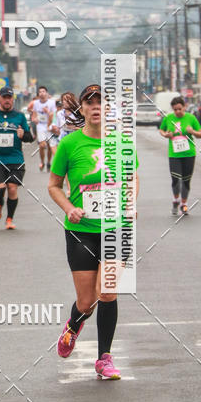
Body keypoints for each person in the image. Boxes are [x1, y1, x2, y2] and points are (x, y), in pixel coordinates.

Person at [48, 84, 139, 380]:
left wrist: (130, 202)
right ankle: (74, 324)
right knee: (86, 301)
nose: (96, 106)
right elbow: (53, 185)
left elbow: (132, 177)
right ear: (83, 110)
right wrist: (68, 208)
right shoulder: (69, 145)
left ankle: (104, 358)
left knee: (108, 291)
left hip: (117, 228)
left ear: (108, 109)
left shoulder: (122, 142)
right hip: (81, 230)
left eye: (102, 102)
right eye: (90, 102)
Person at [0, 86, 34, 230]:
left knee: (12, 188)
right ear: (0, 99)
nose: (7, 100)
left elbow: (30, 138)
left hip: (15, 159)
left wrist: (23, 135)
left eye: (10, 98)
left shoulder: (20, 116)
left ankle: (9, 219)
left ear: (13, 99)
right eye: (5, 97)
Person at [159, 95, 201, 215]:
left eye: (180, 109)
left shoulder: (191, 118)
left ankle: (184, 204)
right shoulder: (168, 118)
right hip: (174, 154)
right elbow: (161, 130)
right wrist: (165, 135)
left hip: (189, 154)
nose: (178, 111)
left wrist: (192, 131)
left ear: (185, 107)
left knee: (186, 180)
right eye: (175, 109)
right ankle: (175, 199)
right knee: (175, 179)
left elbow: (200, 134)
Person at [28, 86, 55, 172]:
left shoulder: (52, 103)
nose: (42, 93)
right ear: (38, 94)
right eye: (40, 92)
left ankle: (48, 162)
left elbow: (54, 115)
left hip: (49, 126)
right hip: (40, 126)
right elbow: (34, 113)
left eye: (43, 91)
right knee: (42, 145)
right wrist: (34, 119)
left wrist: (47, 112)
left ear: (46, 93)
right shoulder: (35, 103)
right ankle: (42, 161)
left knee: (50, 147)